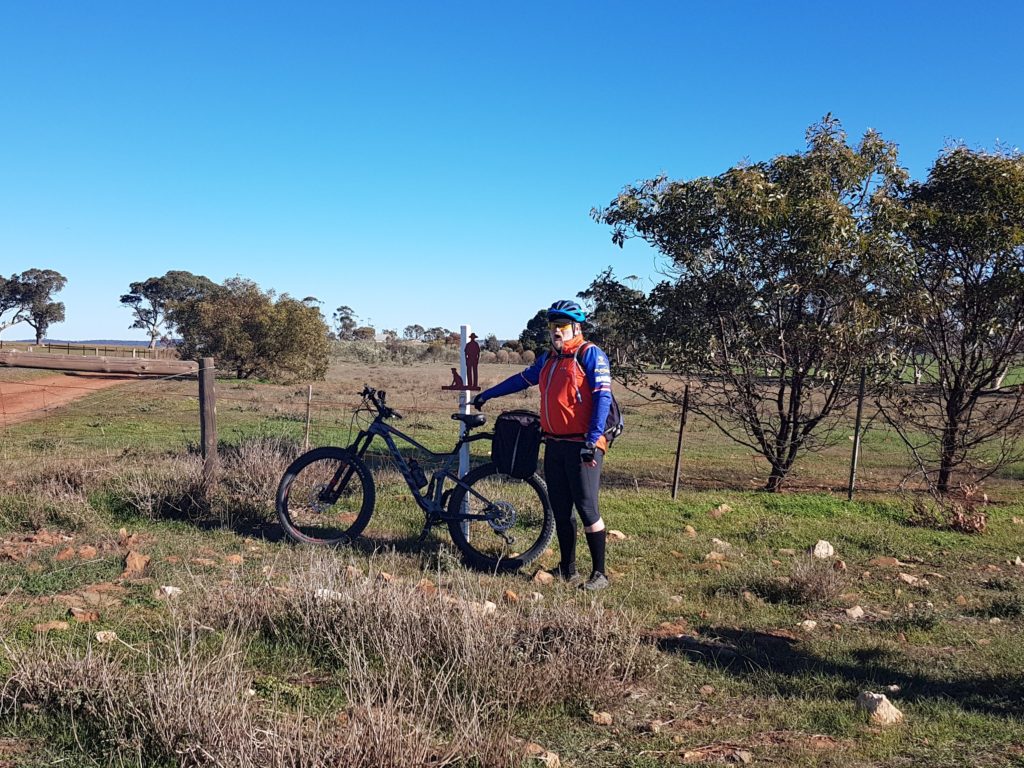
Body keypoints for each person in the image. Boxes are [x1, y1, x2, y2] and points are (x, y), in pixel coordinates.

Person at [472, 300, 613, 591]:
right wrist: (488, 394)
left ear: (576, 327)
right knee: (560, 509)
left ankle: (600, 574)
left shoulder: (590, 355)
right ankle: (567, 568)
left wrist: (592, 439)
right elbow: (521, 380)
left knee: (587, 509)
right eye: (552, 326)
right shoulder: (548, 360)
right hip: (555, 443)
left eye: (562, 326)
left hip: (583, 445)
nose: (556, 332)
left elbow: (602, 398)